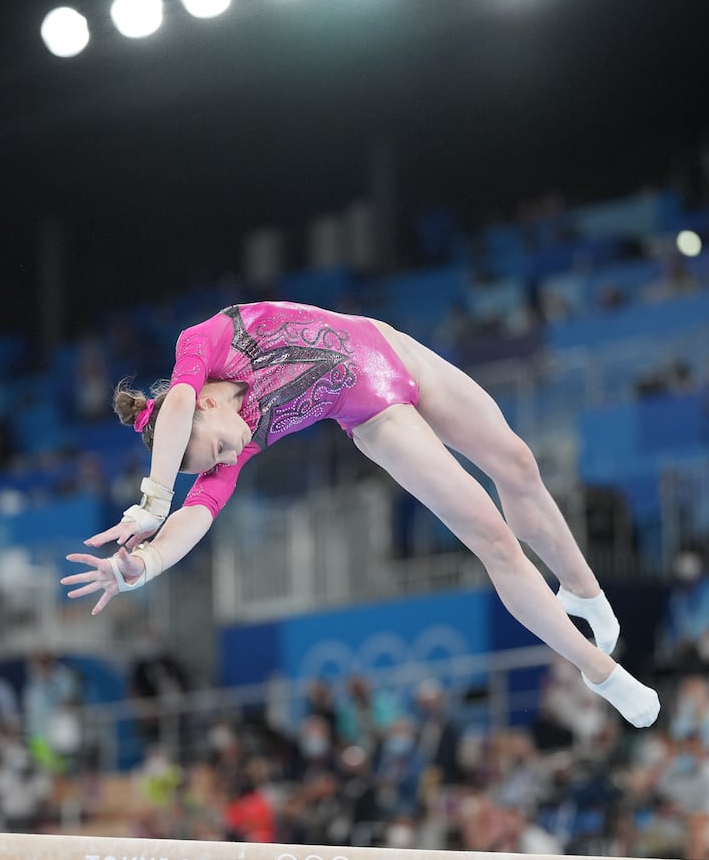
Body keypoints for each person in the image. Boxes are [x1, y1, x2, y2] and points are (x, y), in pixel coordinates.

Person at [62, 301, 659, 727]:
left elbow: (177, 408)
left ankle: (582, 589)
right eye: (220, 457)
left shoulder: (201, 346)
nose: (229, 454)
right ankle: (596, 668)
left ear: (207, 402)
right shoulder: (232, 439)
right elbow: (200, 515)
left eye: (215, 446)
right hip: (376, 416)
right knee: (492, 538)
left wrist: (151, 499)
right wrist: (144, 562)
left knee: (518, 464)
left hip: (389, 346)